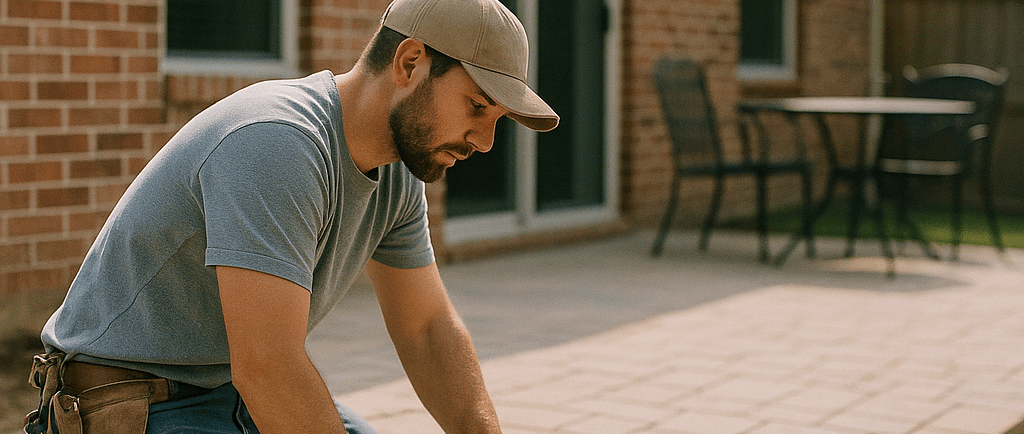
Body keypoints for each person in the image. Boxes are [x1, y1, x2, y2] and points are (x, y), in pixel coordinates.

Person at [24, 0, 558, 432]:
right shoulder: (278, 142)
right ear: (411, 63)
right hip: (127, 402)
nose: (487, 143)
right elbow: (270, 369)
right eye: (478, 107)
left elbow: (426, 329)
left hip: (228, 390)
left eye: (499, 119)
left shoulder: (395, 174)